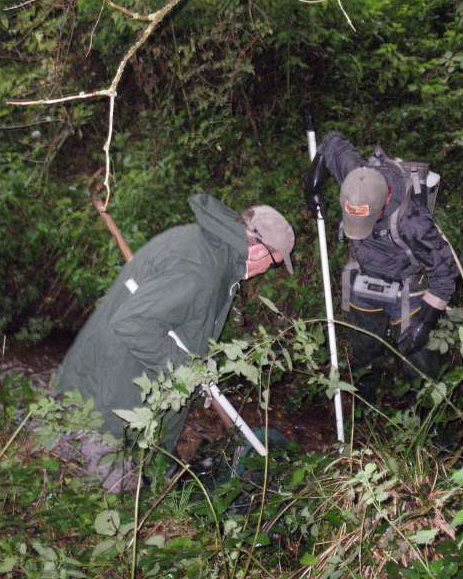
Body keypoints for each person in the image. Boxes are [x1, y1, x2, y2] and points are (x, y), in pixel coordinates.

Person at [56, 193, 295, 456]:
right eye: (273, 264)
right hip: (110, 405)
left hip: (123, 390)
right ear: (259, 250)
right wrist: (187, 371)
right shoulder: (200, 269)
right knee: (108, 487)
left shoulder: (212, 250)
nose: (265, 271)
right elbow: (134, 324)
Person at [304, 131, 459, 400]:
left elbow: (445, 274)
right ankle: (366, 405)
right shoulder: (356, 179)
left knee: (420, 365)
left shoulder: (412, 221)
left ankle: (433, 425)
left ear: (384, 202)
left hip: (407, 287)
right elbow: (331, 142)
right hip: (364, 278)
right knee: (364, 350)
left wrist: (425, 322)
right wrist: (312, 183)